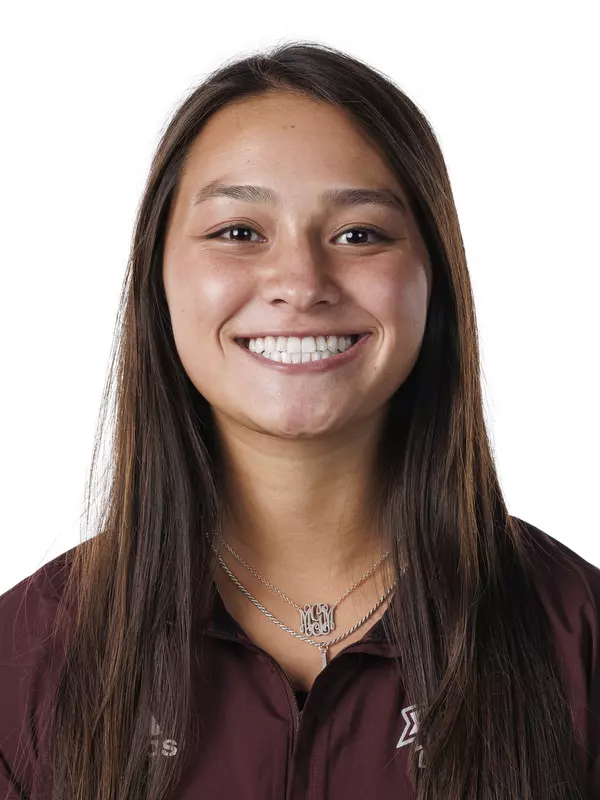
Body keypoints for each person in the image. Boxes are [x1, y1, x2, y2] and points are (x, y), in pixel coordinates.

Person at [0, 40, 598, 800]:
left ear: (433, 279)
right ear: (158, 278)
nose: (300, 282)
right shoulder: (23, 666)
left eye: (359, 234)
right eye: (239, 232)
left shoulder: (576, 638)